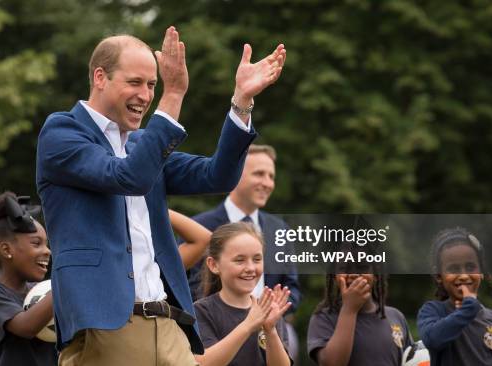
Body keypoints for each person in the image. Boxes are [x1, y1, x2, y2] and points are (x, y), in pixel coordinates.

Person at [35, 25, 286, 365]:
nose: (146, 94)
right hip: (107, 327)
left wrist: (241, 102)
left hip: (170, 327)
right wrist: (173, 95)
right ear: (99, 77)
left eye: (153, 85)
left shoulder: (142, 145)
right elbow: (129, 177)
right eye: (135, 82)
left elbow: (219, 175)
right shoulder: (62, 132)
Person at [186, 144, 301, 360]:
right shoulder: (200, 225)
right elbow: (184, 284)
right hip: (215, 325)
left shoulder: (280, 229)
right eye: (259, 174)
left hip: (272, 322)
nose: (267, 183)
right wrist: (235, 313)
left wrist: (271, 308)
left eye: (271, 176)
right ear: (235, 175)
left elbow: (292, 286)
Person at [0, 192, 56, 366]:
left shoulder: (41, 290)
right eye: (36, 243)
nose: (47, 251)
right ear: (6, 250)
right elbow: (26, 327)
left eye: (46, 244)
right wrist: (66, 279)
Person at [193, 222, 291, 366]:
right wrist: (248, 325)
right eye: (239, 260)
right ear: (214, 265)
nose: (251, 268)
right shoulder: (201, 311)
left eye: (257, 259)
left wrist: (270, 330)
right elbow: (203, 363)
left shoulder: (268, 310)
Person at [417, 227, 492, 366]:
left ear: (481, 272)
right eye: (453, 269)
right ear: (439, 276)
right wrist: (468, 310)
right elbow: (433, 340)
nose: (463, 276)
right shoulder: (433, 311)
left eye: (470, 267)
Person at [307, 243, 412, 365]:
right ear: (334, 276)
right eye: (345, 269)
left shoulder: (395, 317)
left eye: (362, 267)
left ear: (376, 274)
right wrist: (349, 309)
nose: (354, 275)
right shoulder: (324, 318)